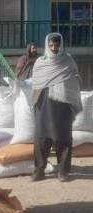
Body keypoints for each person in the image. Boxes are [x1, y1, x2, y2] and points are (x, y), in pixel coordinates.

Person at [31, 33, 82, 182]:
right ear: (47, 45)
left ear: (61, 44)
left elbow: (74, 78)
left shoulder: (68, 60)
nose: (54, 48)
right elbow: (36, 83)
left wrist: (74, 79)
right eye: (51, 45)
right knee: (41, 138)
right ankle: (39, 170)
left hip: (63, 105)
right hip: (44, 103)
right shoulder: (40, 62)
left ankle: (63, 172)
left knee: (63, 138)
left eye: (57, 45)